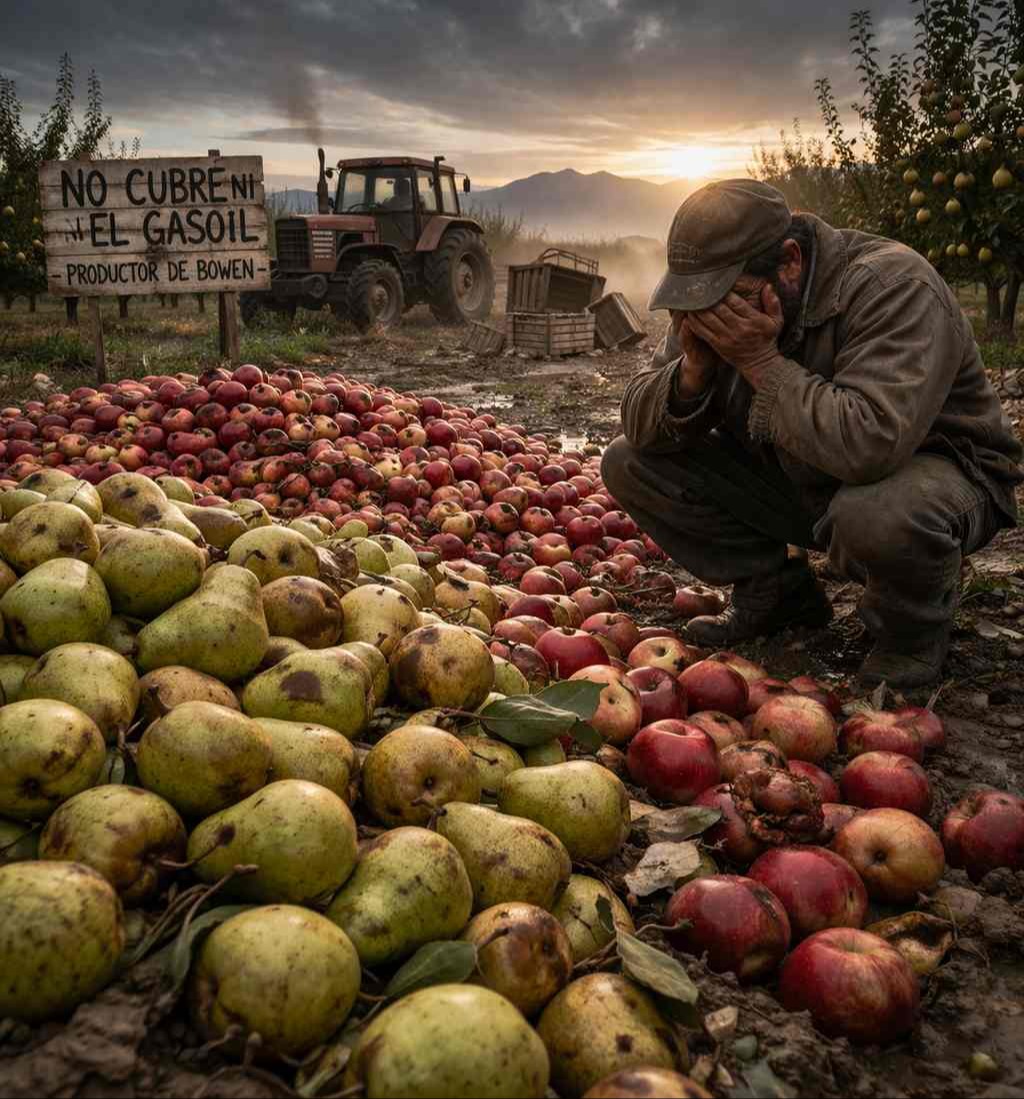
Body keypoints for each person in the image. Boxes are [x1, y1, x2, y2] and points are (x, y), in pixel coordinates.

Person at [602, 179, 1023, 688]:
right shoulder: (719, 300)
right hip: (806, 477)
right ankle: (777, 594)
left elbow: (871, 445)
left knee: (876, 512)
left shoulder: (892, 287)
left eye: (728, 301)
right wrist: (691, 370)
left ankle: (908, 632)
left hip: (938, 474)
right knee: (630, 459)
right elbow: (639, 421)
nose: (712, 321)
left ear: (789, 263)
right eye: (697, 308)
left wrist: (760, 362)